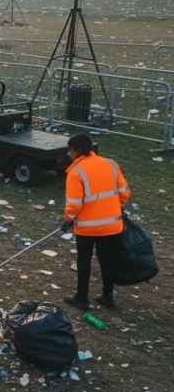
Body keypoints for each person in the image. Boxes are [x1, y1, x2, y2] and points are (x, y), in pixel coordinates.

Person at [61, 133, 129, 310]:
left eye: (70, 150)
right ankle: (108, 296)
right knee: (107, 260)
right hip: (113, 226)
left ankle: (81, 297)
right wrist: (117, 207)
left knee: (84, 262)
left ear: (78, 150)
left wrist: (67, 220)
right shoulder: (111, 164)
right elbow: (124, 191)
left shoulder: (76, 172)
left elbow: (74, 205)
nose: (69, 154)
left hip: (87, 228)